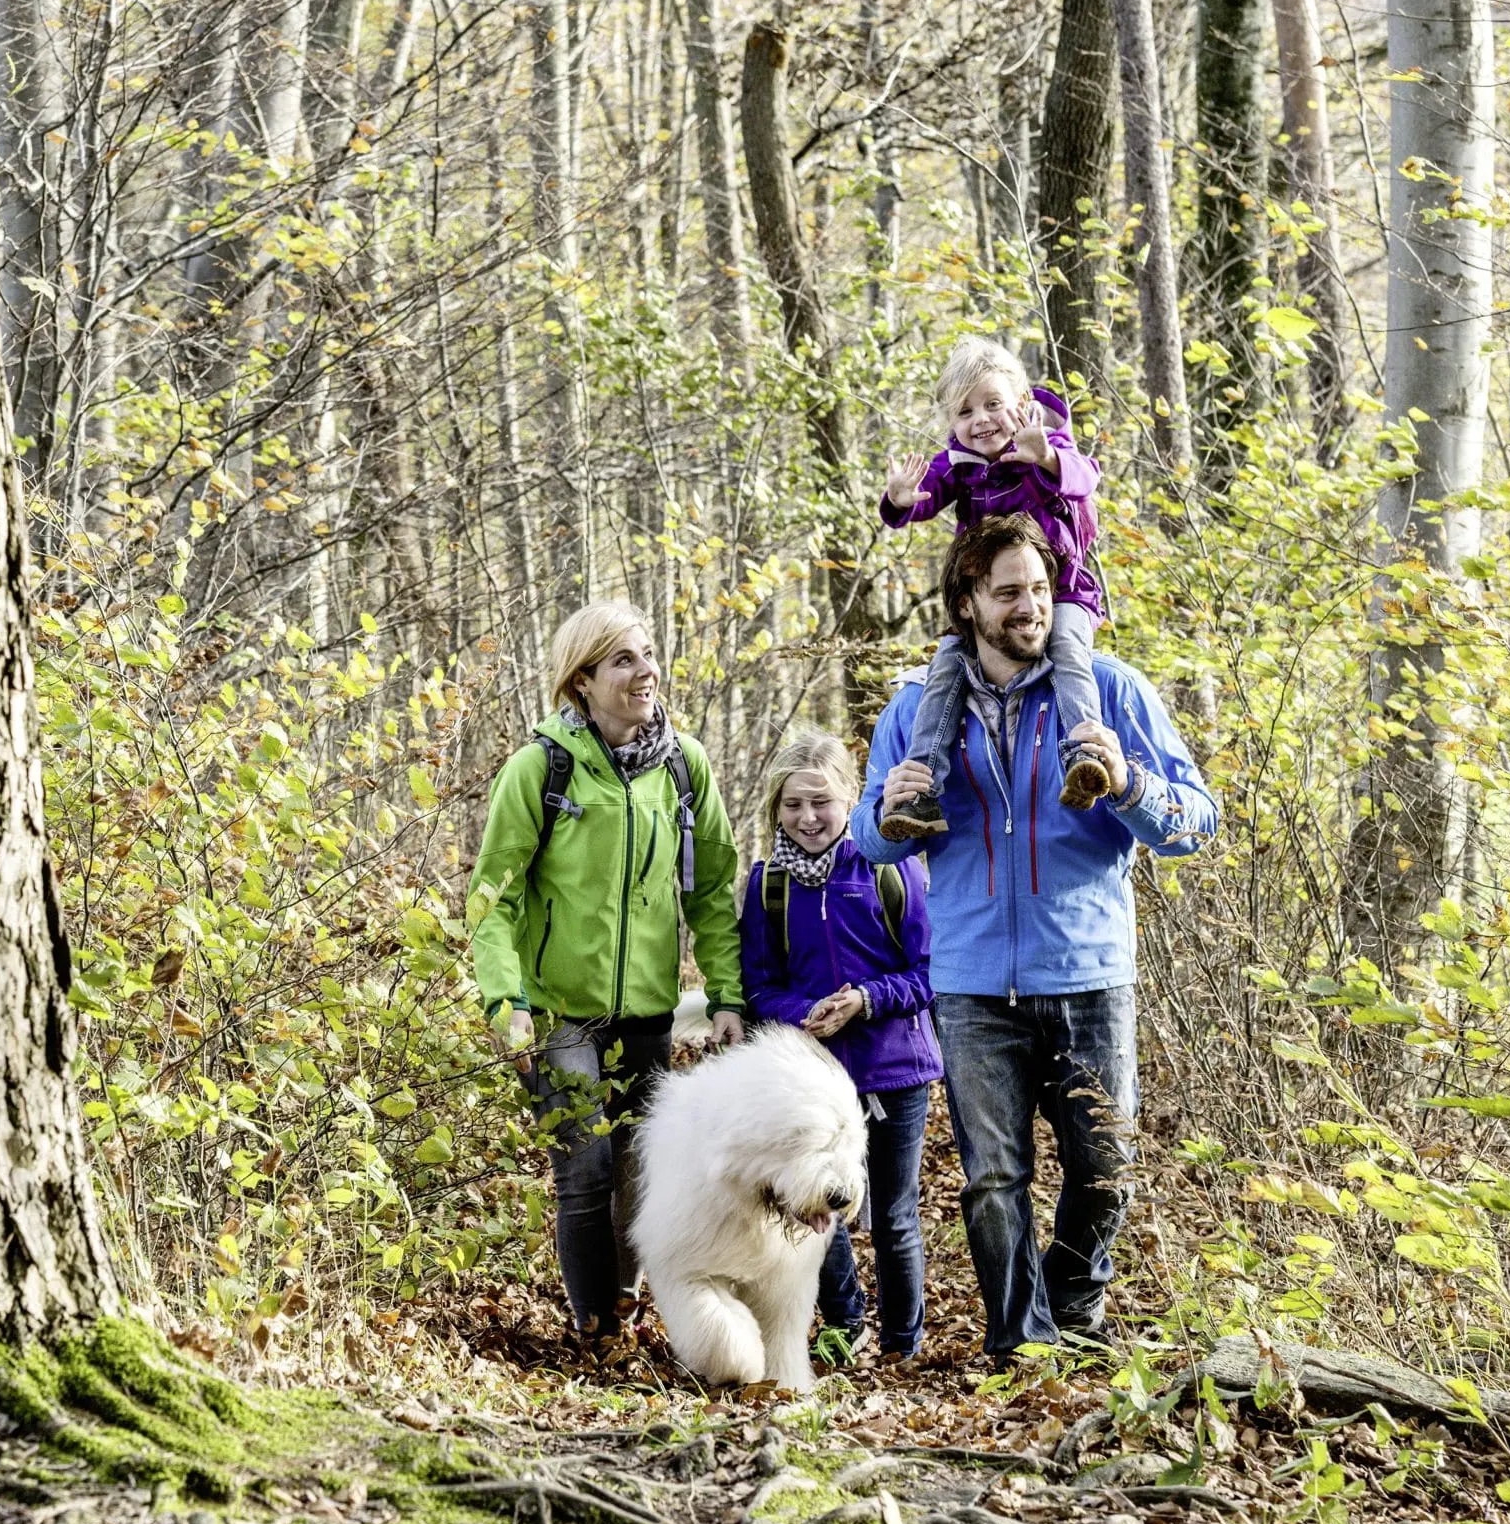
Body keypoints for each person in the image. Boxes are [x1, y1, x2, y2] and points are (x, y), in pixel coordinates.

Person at [849, 516, 1217, 1361]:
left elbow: (1196, 821)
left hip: (1087, 973)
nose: (1030, 608)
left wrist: (1127, 785)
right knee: (993, 1181)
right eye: (1008, 592)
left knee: (1105, 1171)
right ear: (968, 602)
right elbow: (871, 842)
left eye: (1041, 591)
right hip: (973, 983)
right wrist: (886, 809)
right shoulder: (916, 711)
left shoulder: (1111, 691)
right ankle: (1021, 1348)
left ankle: (1070, 1311)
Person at [468, 601, 747, 1343]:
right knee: (585, 1176)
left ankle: (619, 1314)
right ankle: (598, 1334)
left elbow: (714, 890)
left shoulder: (684, 769)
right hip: (558, 1011)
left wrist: (726, 994)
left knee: (637, 1178)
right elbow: (492, 897)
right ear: (582, 681)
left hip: (648, 1012)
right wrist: (507, 1001)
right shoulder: (541, 769)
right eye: (623, 660)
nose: (645, 671)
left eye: (648, 653)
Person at [737, 732, 941, 1363]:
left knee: (895, 1215)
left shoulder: (889, 867)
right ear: (776, 808)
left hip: (896, 1070)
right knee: (820, 1214)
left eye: (822, 802)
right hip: (813, 1081)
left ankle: (903, 1345)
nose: (808, 818)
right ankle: (845, 1324)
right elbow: (760, 986)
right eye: (794, 805)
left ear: (852, 800)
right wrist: (805, 1013)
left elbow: (933, 971)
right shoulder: (769, 886)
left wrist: (867, 999)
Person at [876, 337, 1110, 840]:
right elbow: (923, 498)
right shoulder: (958, 463)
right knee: (944, 669)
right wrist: (898, 501)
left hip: (1061, 591)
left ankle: (1085, 754)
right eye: (965, 411)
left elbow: (1085, 479)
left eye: (992, 404)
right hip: (987, 605)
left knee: (1069, 651)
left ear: (1021, 403)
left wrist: (1045, 457)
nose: (980, 419)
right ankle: (921, 791)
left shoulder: (1044, 444)